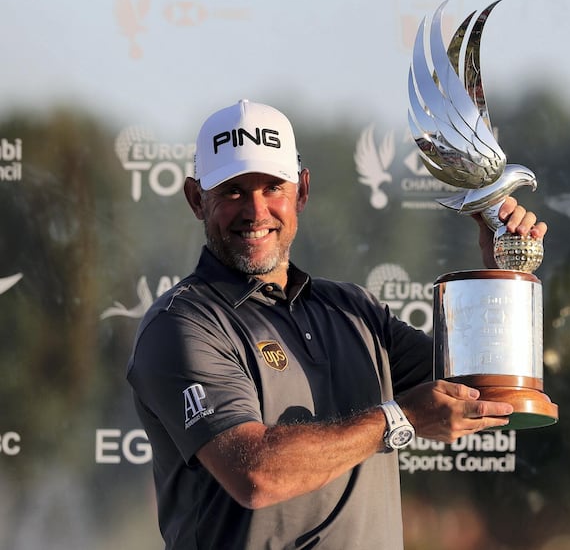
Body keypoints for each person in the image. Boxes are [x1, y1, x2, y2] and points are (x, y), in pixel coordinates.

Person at [126, 99, 548, 550]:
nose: (255, 210)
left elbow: (485, 389)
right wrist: (398, 419)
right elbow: (255, 473)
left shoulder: (355, 310)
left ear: (302, 191)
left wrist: (502, 272)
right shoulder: (183, 325)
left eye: (273, 187)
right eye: (232, 191)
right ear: (196, 199)